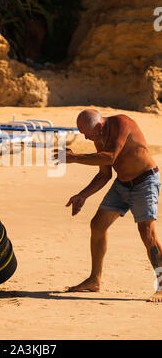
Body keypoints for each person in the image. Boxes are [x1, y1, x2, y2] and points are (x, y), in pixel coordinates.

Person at [53, 109, 162, 302]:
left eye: (87, 133)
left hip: (145, 182)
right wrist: (82, 195)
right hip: (122, 184)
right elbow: (105, 174)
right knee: (97, 225)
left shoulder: (122, 123)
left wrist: (75, 157)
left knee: (147, 232)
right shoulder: (99, 138)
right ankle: (95, 280)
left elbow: (110, 157)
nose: (86, 138)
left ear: (100, 125)